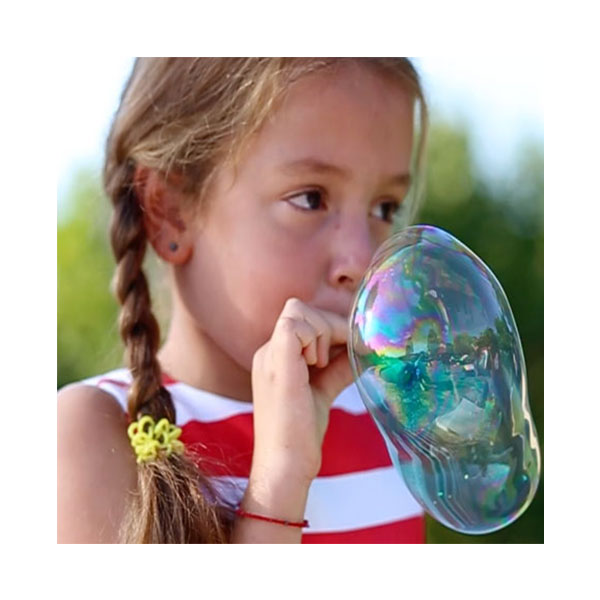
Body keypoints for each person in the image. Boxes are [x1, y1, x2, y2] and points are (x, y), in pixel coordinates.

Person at [57, 57, 429, 544]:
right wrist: (279, 486)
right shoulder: (92, 437)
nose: (362, 260)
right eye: (310, 198)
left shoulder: (388, 422)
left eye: (385, 208)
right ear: (169, 213)